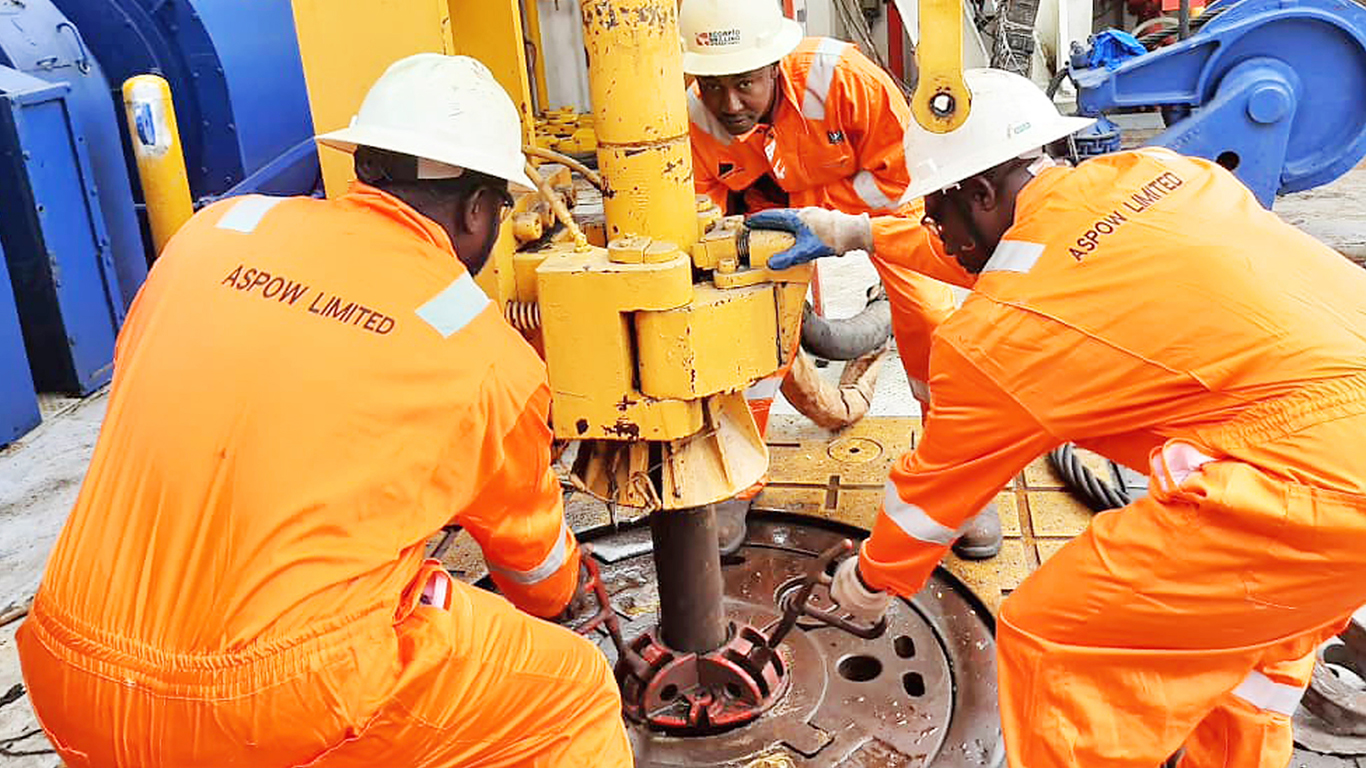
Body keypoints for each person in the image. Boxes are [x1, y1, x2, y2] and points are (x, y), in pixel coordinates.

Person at [17, 54, 631, 768]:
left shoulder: (205, 240)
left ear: (364, 165)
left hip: (69, 673)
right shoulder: (487, 355)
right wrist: (573, 598)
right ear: (476, 210)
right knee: (573, 695)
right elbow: (536, 576)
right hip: (272, 706)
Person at [750, 66, 1366, 768]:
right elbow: (1019, 256)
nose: (935, 233)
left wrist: (865, 585)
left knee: (1056, 640)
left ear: (977, 192)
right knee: (1246, 662)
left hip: (1309, 489)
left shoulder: (1000, 335)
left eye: (934, 212)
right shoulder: (1157, 173)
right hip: (1337, 482)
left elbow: (929, 500)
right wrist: (852, 232)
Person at [680, 0, 1000, 559]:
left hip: (880, 216)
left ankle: (961, 485)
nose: (730, 105)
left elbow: (903, 181)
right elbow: (703, 211)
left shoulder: (844, 80)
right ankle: (738, 477)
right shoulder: (695, 117)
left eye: (746, 85)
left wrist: (822, 216)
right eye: (712, 87)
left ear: (775, 64)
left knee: (936, 326)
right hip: (772, 225)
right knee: (744, 332)